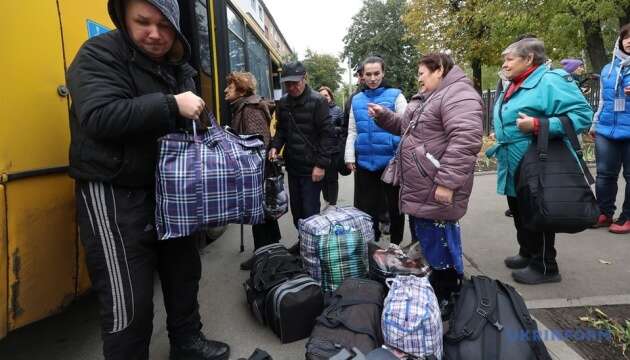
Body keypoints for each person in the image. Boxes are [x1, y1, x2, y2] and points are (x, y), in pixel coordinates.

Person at [66, 1, 230, 359]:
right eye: (143, 22)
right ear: (124, 16)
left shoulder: (179, 67)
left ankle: (187, 344)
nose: (154, 34)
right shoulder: (99, 53)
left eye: (164, 25)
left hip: (170, 190)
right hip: (114, 190)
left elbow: (195, 119)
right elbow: (98, 115)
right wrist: (172, 105)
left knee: (183, 271)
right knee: (130, 297)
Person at [369, 53, 483, 312]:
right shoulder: (430, 97)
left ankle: (450, 294)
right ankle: (437, 287)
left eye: (422, 73)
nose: (418, 78)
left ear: (439, 69)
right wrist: (384, 116)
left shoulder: (457, 94)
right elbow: (408, 128)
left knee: (440, 240)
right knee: (428, 240)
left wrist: (448, 183)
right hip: (422, 184)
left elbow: (465, 140)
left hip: (435, 183)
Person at [486, 38, 593, 284]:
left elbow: (582, 115)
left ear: (529, 59)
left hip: (537, 158)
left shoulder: (550, 80)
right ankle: (527, 252)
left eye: (509, 58)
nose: (505, 63)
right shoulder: (516, 82)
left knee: (538, 209)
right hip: (513, 158)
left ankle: (545, 265)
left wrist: (537, 125)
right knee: (519, 208)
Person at [269, 61, 335, 253]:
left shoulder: (318, 101)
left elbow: (328, 134)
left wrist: (321, 165)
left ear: (304, 78)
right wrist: (275, 146)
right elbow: (281, 130)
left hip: (312, 168)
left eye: (296, 82)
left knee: (310, 211)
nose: (292, 87)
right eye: (288, 84)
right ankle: (303, 242)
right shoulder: (283, 103)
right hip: (293, 166)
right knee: (297, 212)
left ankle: (313, 248)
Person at [344, 56, 408, 244]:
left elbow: (406, 126)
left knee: (395, 209)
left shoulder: (396, 95)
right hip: (365, 163)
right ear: (362, 76)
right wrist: (349, 156)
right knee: (366, 210)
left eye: (376, 73)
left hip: (391, 162)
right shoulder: (356, 100)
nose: (373, 78)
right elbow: (352, 131)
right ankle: (371, 246)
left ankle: (396, 246)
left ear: (383, 73)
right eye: (368, 74)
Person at [224, 71, 282, 270]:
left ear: (240, 90)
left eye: (230, 87)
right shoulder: (243, 106)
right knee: (262, 213)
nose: (226, 90)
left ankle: (266, 255)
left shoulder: (250, 109)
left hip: (258, 170)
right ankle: (268, 251)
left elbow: (260, 141)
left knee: (261, 213)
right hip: (255, 169)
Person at [590, 24, 630, 233]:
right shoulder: (608, 68)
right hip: (607, 130)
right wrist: (595, 123)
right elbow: (603, 101)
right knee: (605, 174)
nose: (629, 40)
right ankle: (604, 213)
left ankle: (628, 217)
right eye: (626, 37)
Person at [318, 85, 345, 206]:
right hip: (319, 150)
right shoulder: (316, 110)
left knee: (332, 179)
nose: (324, 98)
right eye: (321, 96)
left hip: (334, 150)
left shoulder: (338, 110)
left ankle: (332, 205)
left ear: (330, 96)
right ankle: (327, 201)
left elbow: (344, 128)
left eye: (326, 95)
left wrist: (333, 129)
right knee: (322, 179)